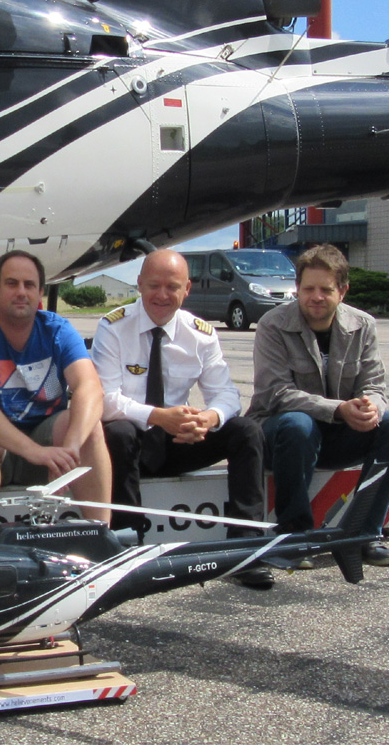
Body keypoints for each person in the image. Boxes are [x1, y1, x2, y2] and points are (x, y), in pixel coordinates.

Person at [94, 250, 272, 588]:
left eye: (172, 287)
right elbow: (105, 401)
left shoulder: (200, 333)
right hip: (132, 443)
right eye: (154, 285)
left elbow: (227, 394)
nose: (162, 295)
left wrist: (206, 418)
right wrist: (160, 417)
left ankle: (244, 551)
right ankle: (128, 548)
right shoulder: (114, 326)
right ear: (139, 284)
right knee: (116, 431)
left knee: (246, 431)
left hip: (179, 441)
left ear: (187, 288)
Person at [249, 243, 389, 567]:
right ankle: (294, 537)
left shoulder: (363, 325)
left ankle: (363, 535)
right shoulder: (273, 324)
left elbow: (375, 384)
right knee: (299, 423)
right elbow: (275, 393)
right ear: (296, 289)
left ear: (343, 290)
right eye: (308, 288)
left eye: (326, 289)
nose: (316, 297)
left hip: (338, 434)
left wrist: (371, 408)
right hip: (282, 436)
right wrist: (338, 409)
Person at [0, 250, 111, 541]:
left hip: (47, 445)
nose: (21, 292)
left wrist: (70, 450)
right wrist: (32, 451)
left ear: (40, 292)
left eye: (29, 284)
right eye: (11, 283)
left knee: (89, 428)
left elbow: (90, 388)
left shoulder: (57, 329)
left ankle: (101, 537)